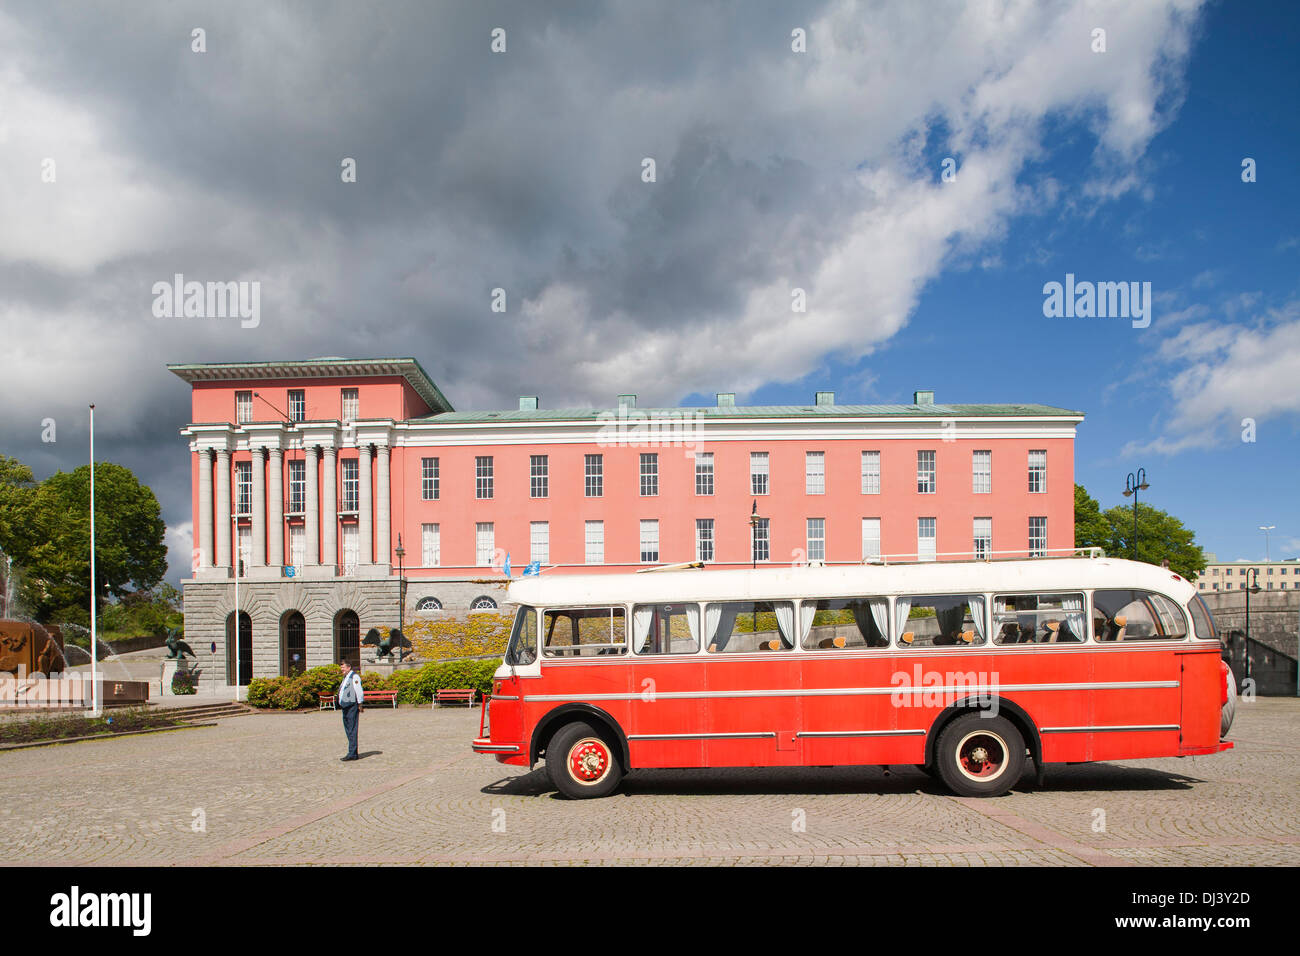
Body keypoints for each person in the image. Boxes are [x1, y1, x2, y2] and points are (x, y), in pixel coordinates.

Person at [338, 659, 364, 761]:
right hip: (345, 706)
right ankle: (352, 751)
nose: (342, 669)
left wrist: (360, 704)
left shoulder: (354, 676)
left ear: (348, 667)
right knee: (348, 729)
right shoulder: (346, 677)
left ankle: (352, 753)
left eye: (343, 667)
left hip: (351, 706)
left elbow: (359, 691)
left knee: (352, 729)